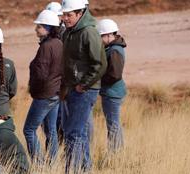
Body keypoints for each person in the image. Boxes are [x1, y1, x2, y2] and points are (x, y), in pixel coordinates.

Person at [60, 0, 107, 173]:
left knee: (73, 133)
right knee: (78, 133)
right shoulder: (69, 33)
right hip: (72, 89)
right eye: (64, 15)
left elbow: (100, 64)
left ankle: (72, 170)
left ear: (80, 13)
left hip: (84, 90)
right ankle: (85, 169)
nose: (65, 18)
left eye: (69, 15)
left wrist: (83, 85)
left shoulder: (89, 32)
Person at [23, 10, 63, 165]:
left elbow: (41, 74)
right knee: (51, 130)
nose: (36, 29)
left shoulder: (46, 47)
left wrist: (34, 91)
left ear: (47, 27)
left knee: (29, 130)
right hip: (56, 93)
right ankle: (51, 164)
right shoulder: (59, 43)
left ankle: (38, 164)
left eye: (39, 26)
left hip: (45, 95)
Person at [97, 19, 127, 153]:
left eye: (101, 36)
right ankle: (117, 152)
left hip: (112, 92)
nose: (100, 39)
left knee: (113, 125)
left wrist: (98, 81)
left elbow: (115, 75)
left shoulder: (114, 50)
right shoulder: (114, 48)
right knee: (114, 124)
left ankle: (115, 154)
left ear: (109, 35)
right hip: (113, 92)